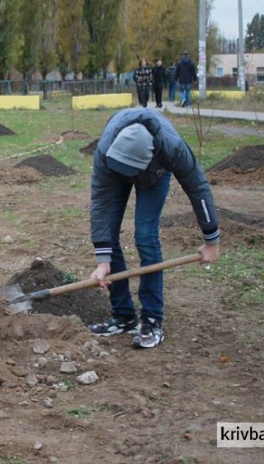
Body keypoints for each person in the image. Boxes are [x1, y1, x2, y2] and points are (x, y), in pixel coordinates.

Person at [88, 108, 221, 348]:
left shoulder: (172, 148)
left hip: (154, 175)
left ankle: (151, 320)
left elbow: (198, 188)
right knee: (110, 237)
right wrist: (102, 258)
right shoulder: (107, 151)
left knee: (145, 236)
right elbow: (100, 204)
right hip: (115, 170)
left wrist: (211, 239)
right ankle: (123, 316)